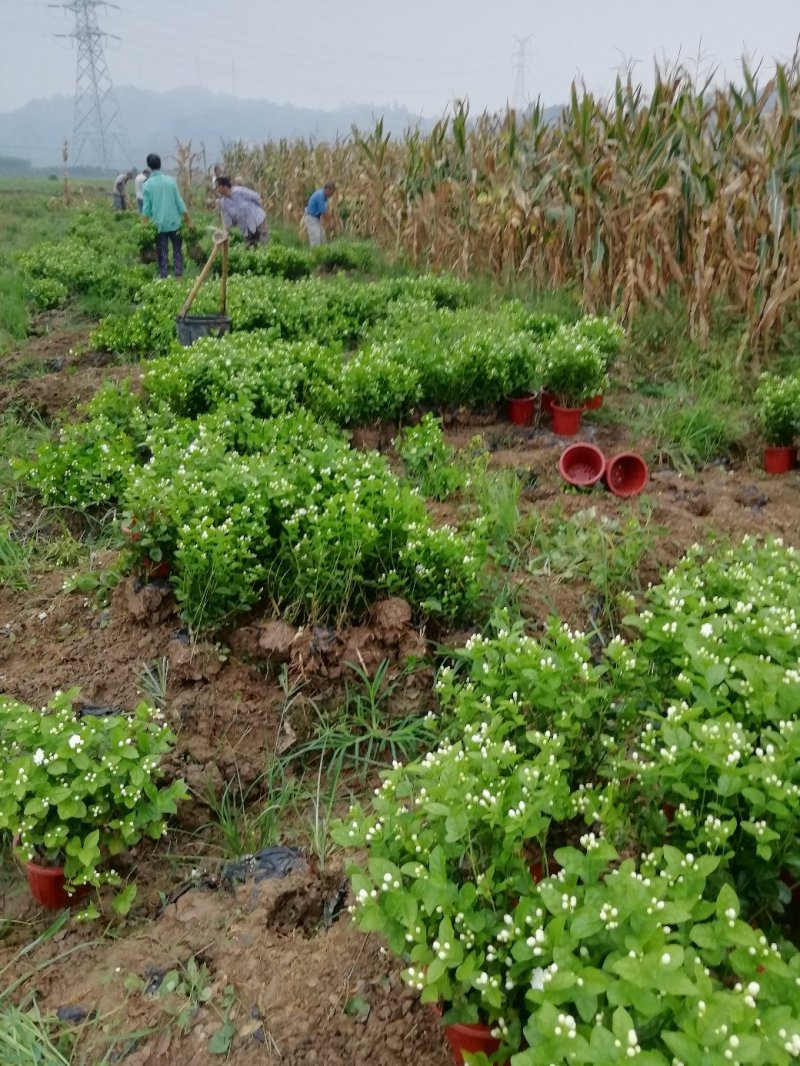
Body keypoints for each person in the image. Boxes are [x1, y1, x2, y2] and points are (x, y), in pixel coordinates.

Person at [141, 153, 191, 279]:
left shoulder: (147, 185)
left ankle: (163, 276)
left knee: (162, 252)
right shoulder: (171, 181)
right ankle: (178, 277)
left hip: (158, 225)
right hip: (175, 223)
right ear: (160, 164)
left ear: (149, 166)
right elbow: (179, 202)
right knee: (177, 251)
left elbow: (146, 209)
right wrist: (188, 221)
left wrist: (144, 226)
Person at [215, 176, 269, 247]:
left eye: (218, 187)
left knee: (264, 243)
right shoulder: (223, 202)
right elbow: (227, 219)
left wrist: (257, 210)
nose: (217, 189)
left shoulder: (239, 191)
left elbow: (256, 197)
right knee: (250, 246)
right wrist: (227, 231)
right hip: (245, 227)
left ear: (224, 187)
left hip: (257, 220)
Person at [304, 181, 335, 247]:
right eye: (331, 192)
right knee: (316, 239)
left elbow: (325, 210)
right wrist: (330, 222)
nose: (332, 195)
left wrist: (327, 221)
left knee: (322, 239)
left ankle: (323, 255)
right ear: (327, 189)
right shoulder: (320, 196)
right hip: (311, 218)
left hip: (317, 219)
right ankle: (314, 255)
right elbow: (323, 211)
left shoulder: (325, 197)